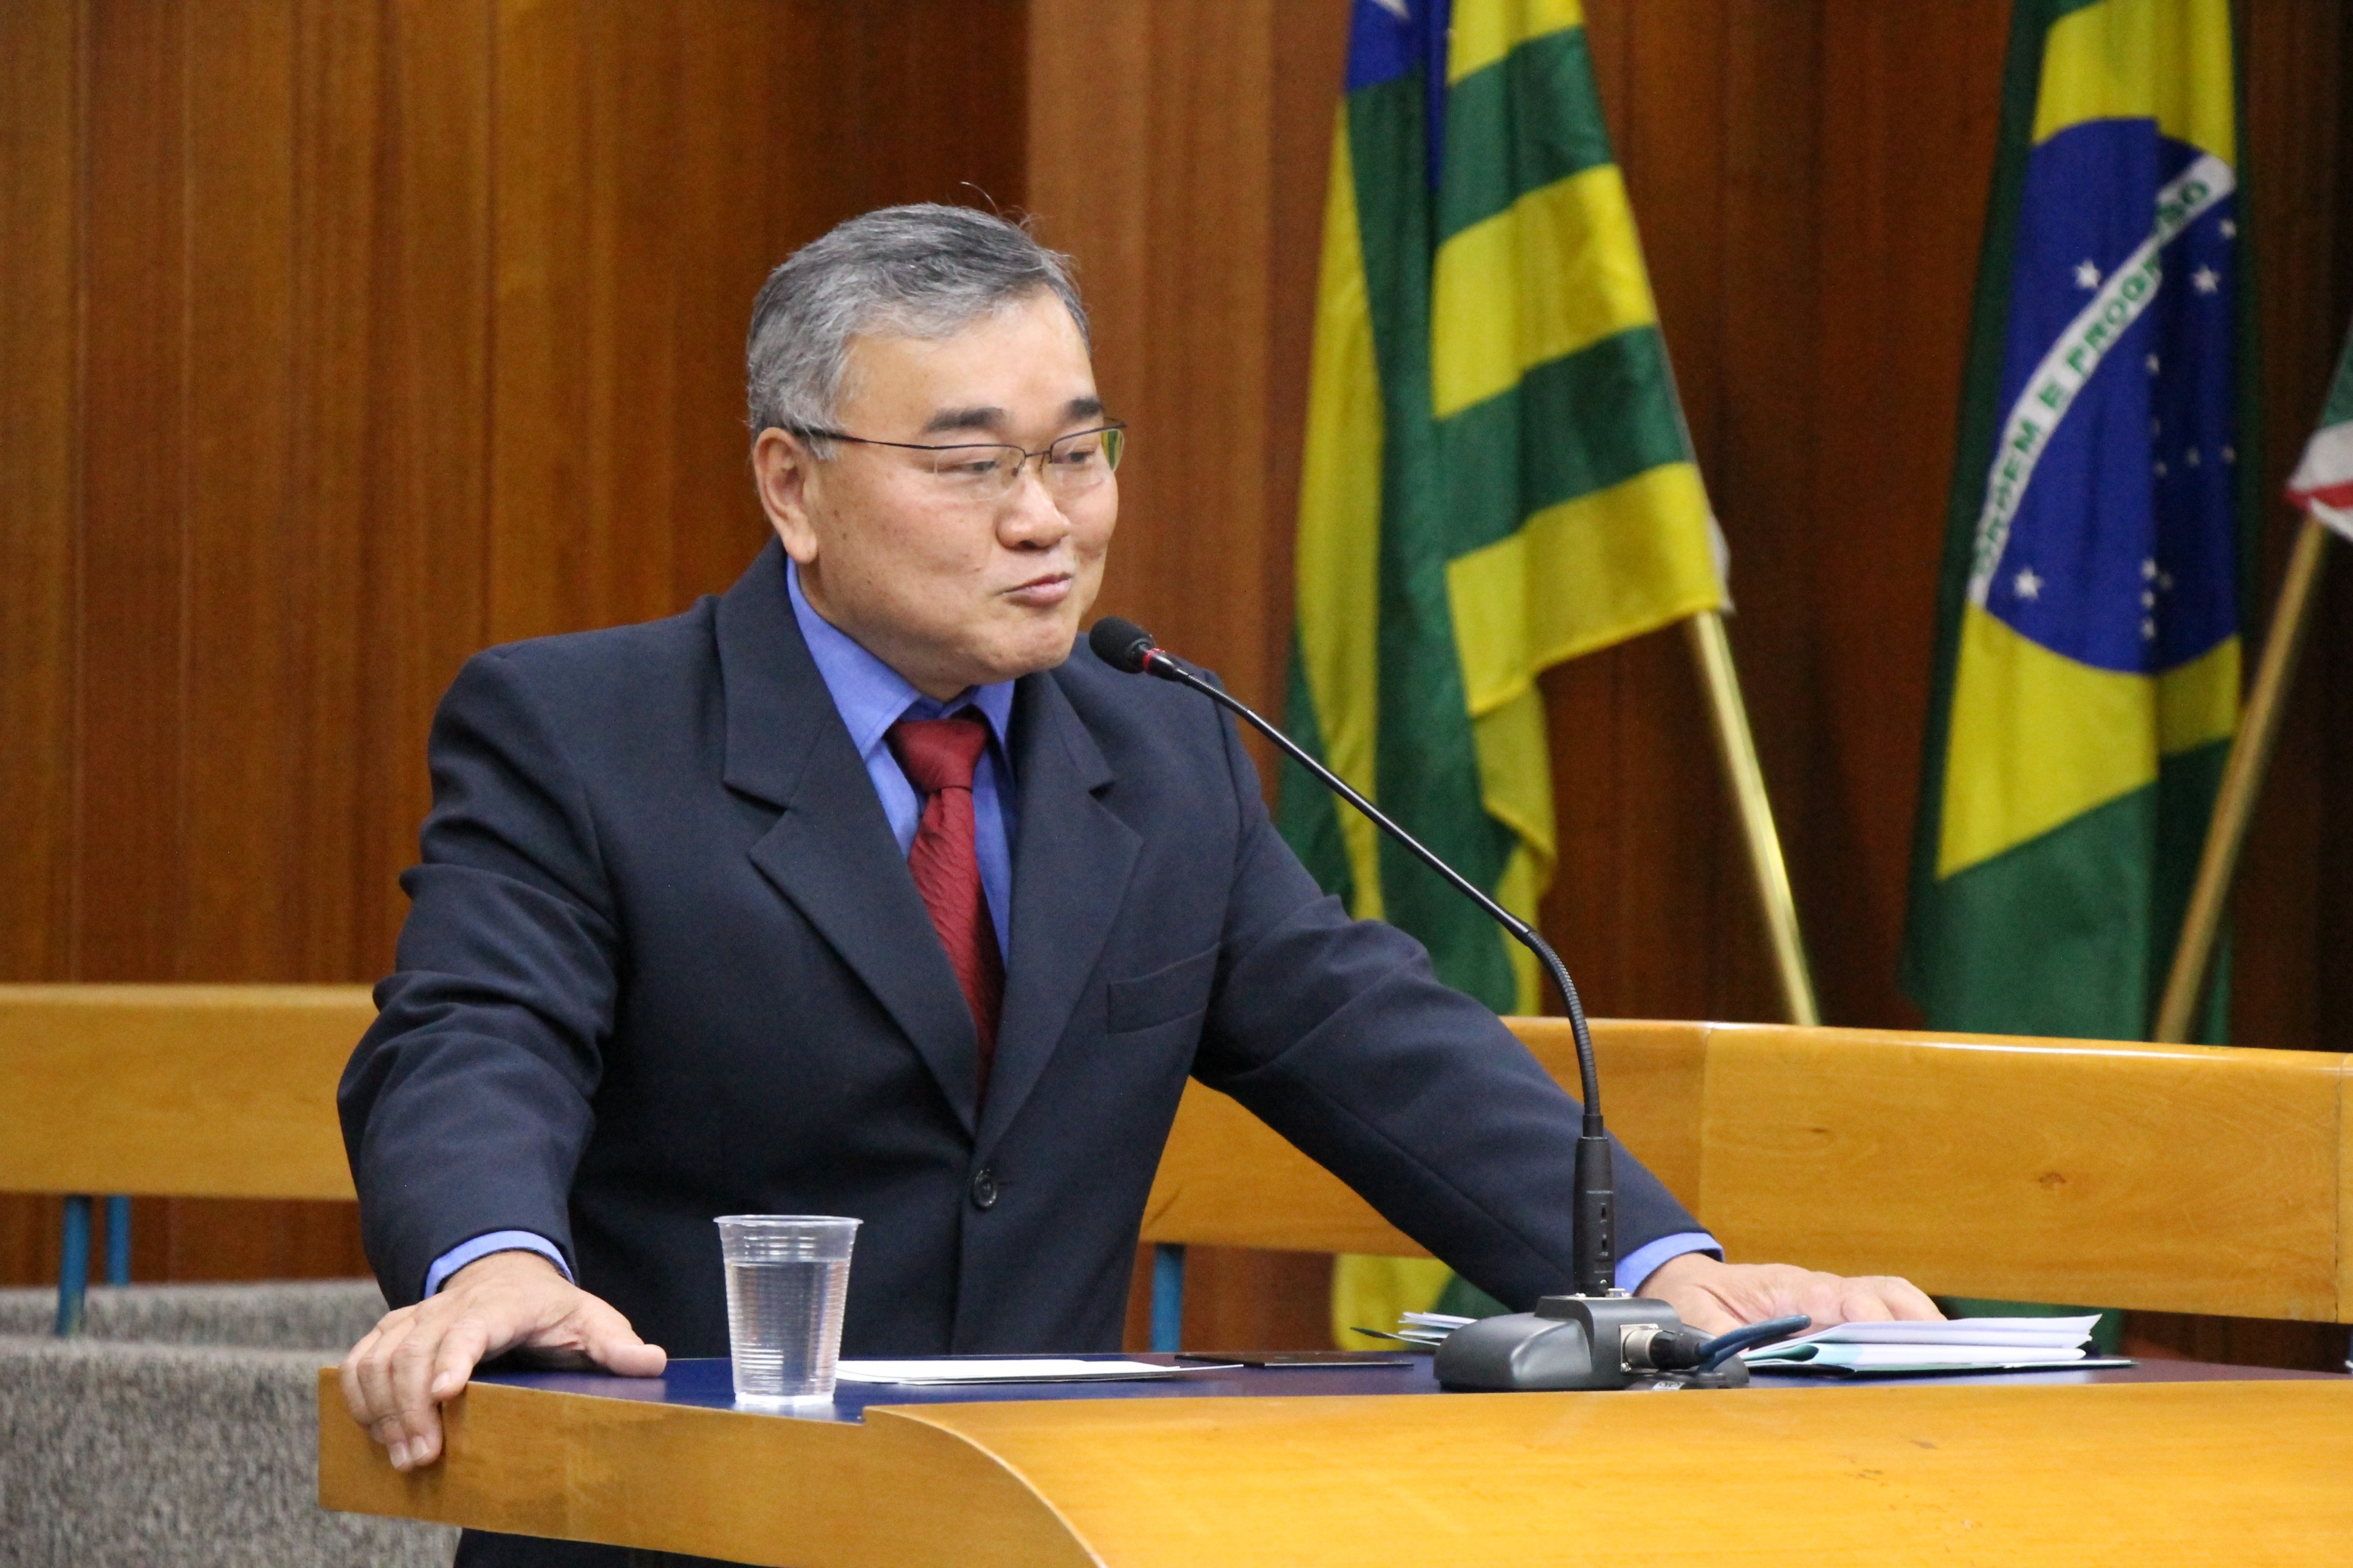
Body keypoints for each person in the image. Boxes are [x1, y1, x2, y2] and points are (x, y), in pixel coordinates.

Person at [338, 204, 1937, 1566]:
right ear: (792, 486)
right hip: (681, 1533)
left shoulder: (1158, 748)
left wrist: (1667, 1274)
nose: (1045, 519)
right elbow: (475, 1038)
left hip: (1040, 1529)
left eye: (1076, 452)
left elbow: (1370, 1043)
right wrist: (497, 1263)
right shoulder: (582, 731)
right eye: (972, 463)